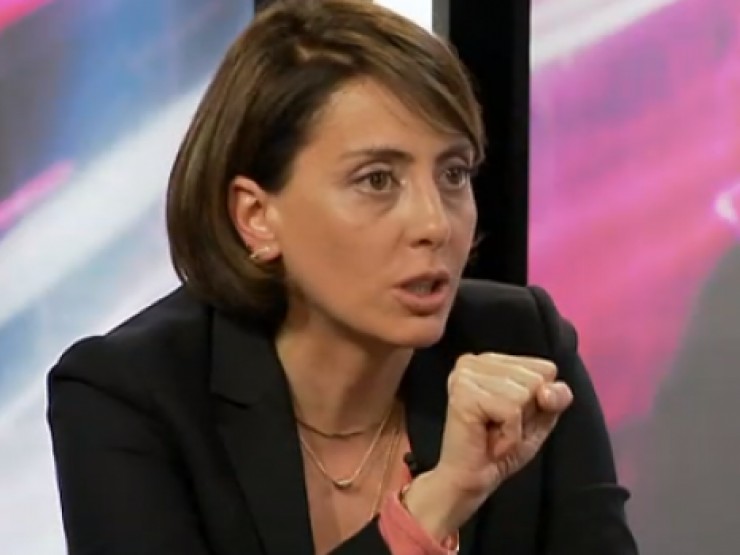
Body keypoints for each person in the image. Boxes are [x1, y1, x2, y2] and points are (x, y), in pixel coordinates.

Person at [47, 1, 638, 553]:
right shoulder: (129, 396)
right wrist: (436, 504)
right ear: (256, 217)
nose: (434, 223)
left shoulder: (522, 345)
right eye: (377, 180)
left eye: (454, 174)